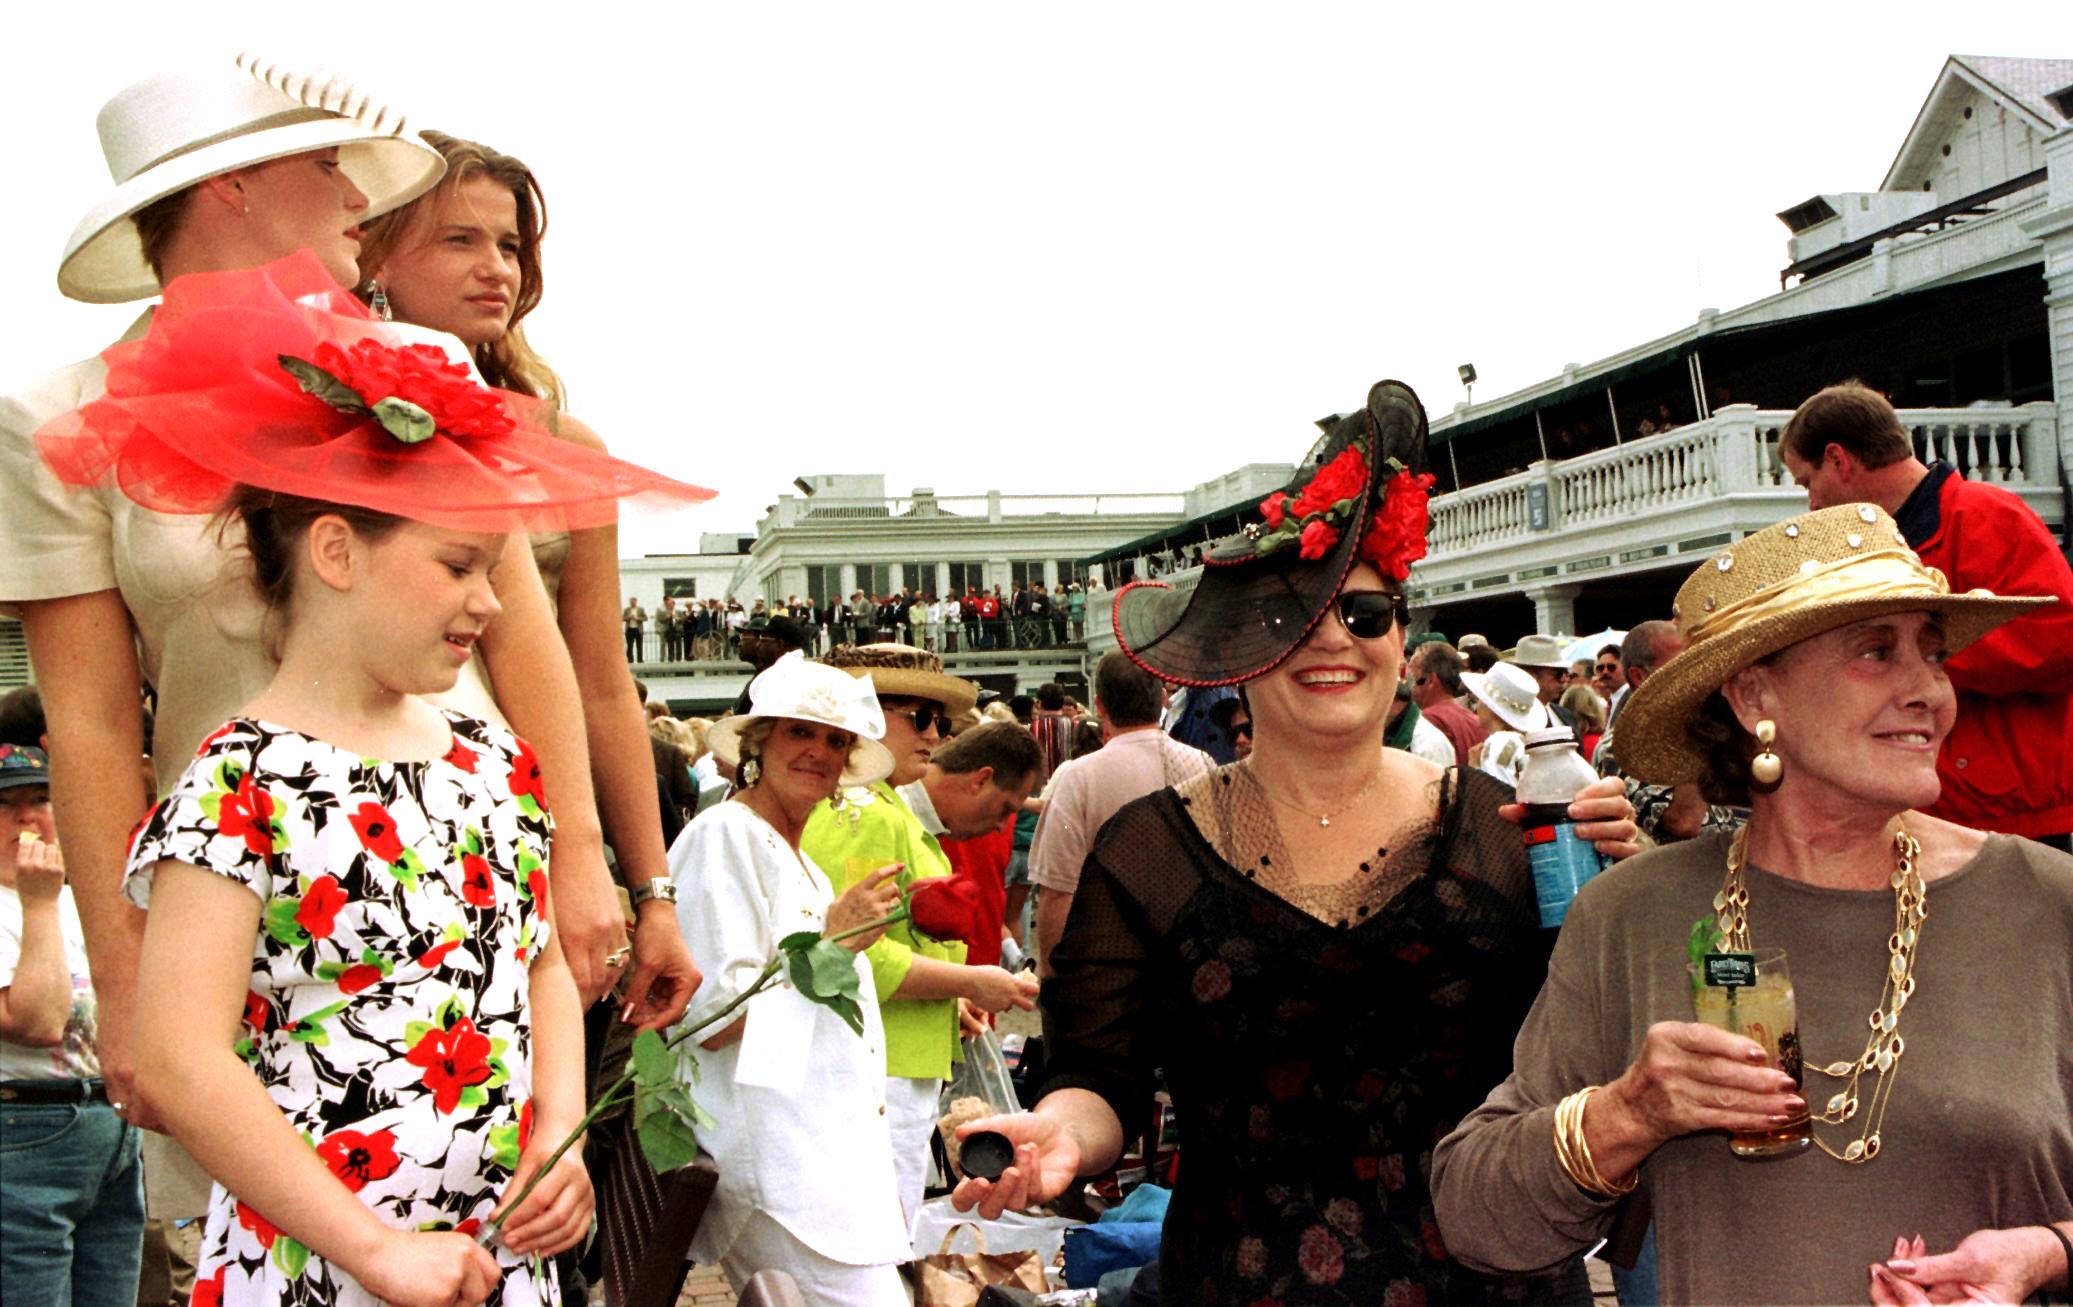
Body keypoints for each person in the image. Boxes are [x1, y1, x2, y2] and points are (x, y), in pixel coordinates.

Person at [69, 261, 699, 1305]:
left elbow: (537, 957)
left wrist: (556, 1133)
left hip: (496, 1254)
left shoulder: (492, 757)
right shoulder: (242, 778)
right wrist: (372, 1248)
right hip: (317, 1263)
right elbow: (181, 1058)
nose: (490, 605)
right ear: (335, 551)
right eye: (459, 566)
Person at [953, 381, 1638, 1302]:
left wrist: (1630, 892)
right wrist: (1060, 1134)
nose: (1334, 640)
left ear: (1401, 641)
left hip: (1489, 1282)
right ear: (1239, 654)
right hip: (1239, 1279)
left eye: (1364, 613)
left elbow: (1589, 1049)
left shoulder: (1498, 827)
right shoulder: (1147, 850)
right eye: (1295, 614)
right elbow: (1097, 1077)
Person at [1432, 504, 2073, 1305]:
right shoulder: (1632, 915)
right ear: (1751, 694)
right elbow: (1477, 1218)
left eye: (1933, 655)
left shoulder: (2045, 904)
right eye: (1877, 651)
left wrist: (2043, 1254)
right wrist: (1626, 1114)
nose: (1930, 693)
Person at [352, 129, 701, 1042]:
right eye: (459, 240)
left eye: (510, 245)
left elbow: (600, 682)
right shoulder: (319, 425)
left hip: (542, 833)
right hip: (367, 824)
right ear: (375, 249)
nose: (496, 269)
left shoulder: (564, 450)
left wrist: (650, 889)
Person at [667, 655, 911, 1305]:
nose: (819, 752)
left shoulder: (799, 859)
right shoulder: (724, 835)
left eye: (836, 739)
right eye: (800, 732)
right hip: (780, 1162)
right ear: (758, 741)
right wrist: (831, 943)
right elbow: (713, 1019)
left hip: (819, 1156)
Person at [800, 649, 1041, 1234]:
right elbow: (851, 955)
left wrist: (950, 996)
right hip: (878, 1068)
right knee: (877, 1241)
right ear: (868, 716)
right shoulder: (868, 812)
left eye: (941, 719)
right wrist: (970, 981)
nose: (937, 735)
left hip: (890, 1063)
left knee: (885, 1233)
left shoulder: (882, 809)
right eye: (922, 716)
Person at [1779, 380, 2073, 850]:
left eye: (1807, 481)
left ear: (1838, 459)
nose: (1811, 502)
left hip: (2009, 820)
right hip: (1930, 812)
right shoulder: (1896, 540)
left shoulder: (1985, 514)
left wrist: (1911, 659)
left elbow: (2061, 637)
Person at [1, 743, 146, 1306]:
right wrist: (38, 905)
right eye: (5, 804)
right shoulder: (40, 902)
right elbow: (36, 1021)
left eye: (40, 798)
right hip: (25, 1127)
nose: (27, 817)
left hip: (107, 1126)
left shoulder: (83, 897)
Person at [1027, 651, 1214, 977]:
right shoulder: (1203, 765)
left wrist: (1051, 975)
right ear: (1162, 698)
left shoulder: (1077, 777)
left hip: (1107, 964)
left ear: (1099, 706)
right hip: (1191, 956)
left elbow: (1057, 891)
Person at [1461, 661, 1549, 787]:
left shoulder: (1499, 743)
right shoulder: (1521, 742)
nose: (1477, 706)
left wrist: (1474, 769)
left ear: (1490, 707)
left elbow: (1495, 796)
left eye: (1480, 699)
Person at [1408, 641, 1488, 767]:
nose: (1408, 687)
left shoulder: (1425, 723)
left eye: (1412, 680)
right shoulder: (1479, 722)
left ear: (1431, 681)